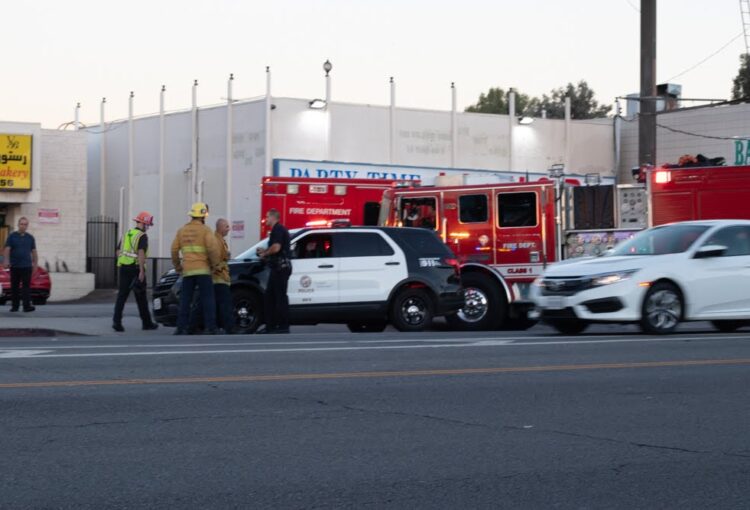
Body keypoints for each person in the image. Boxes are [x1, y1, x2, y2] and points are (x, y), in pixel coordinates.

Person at [171, 202, 221, 335]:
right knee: (208, 299)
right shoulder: (206, 230)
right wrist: (215, 265)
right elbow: (213, 249)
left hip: (187, 271)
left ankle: (181, 327)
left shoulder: (182, 230)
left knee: (185, 300)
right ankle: (211, 327)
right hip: (203, 270)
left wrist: (178, 267)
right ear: (203, 215)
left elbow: (174, 250)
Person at [112, 212, 159, 332]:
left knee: (122, 296)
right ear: (143, 223)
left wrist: (123, 261)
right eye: (147, 225)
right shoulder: (142, 236)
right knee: (141, 297)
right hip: (135, 269)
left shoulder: (126, 234)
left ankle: (116, 322)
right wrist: (142, 271)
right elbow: (141, 252)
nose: (148, 228)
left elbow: (118, 251)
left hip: (123, 268)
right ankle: (146, 323)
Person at [256, 208, 291, 334]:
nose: (266, 219)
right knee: (270, 297)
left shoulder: (278, 230)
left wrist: (265, 253)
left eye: (267, 216)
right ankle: (271, 326)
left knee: (279, 297)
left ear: (273, 217)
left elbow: (276, 248)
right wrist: (264, 251)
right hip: (278, 268)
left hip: (280, 268)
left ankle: (282, 326)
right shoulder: (278, 230)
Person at [3, 217, 38, 312]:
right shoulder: (12, 236)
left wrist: (35, 265)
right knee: (14, 287)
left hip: (26, 266)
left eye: (25, 224)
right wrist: (6, 261)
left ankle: (26, 306)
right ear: (18, 225)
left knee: (26, 287)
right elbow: (7, 249)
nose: (23, 226)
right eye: (21, 224)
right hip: (15, 266)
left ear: (27, 226)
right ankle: (15, 306)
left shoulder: (30, 238)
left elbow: (34, 251)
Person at [212, 218, 235, 333]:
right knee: (226, 304)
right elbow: (216, 260)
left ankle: (217, 326)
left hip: (220, 278)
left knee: (218, 304)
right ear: (220, 228)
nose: (228, 229)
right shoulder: (216, 240)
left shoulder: (220, 240)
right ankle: (230, 327)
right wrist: (221, 267)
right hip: (219, 278)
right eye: (226, 227)